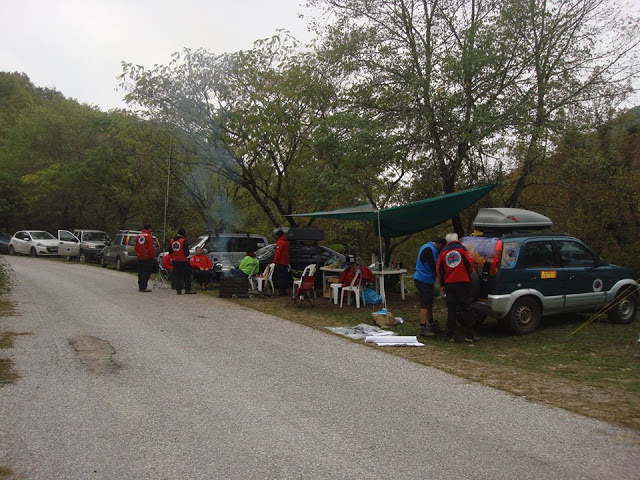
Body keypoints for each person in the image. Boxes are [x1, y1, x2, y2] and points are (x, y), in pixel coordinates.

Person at [436, 233, 479, 342]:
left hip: (449, 284)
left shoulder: (443, 252)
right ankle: (469, 335)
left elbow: (439, 270)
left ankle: (450, 335)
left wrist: (442, 284)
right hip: (463, 283)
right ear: (457, 240)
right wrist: (467, 274)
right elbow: (470, 264)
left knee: (451, 310)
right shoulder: (462, 249)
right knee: (467, 308)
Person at [413, 237, 446, 337]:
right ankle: (422, 328)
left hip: (421, 277)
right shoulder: (430, 250)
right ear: (440, 245)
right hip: (424, 279)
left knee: (428, 303)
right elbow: (435, 267)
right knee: (425, 304)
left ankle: (431, 323)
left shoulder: (426, 246)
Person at [170, 228, 195, 295]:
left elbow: (170, 251)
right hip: (182, 260)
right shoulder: (184, 241)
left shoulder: (172, 240)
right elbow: (186, 252)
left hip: (174, 260)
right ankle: (187, 289)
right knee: (187, 274)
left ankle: (178, 289)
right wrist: (185, 256)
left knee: (177, 275)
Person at [134, 225, 155, 293]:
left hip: (140, 256)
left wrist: (137, 254)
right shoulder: (149, 236)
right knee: (146, 272)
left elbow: (136, 246)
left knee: (140, 272)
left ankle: (140, 286)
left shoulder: (138, 235)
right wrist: (152, 256)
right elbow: (150, 247)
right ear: (148, 228)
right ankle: (144, 287)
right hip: (147, 257)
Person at [272, 229, 290, 296]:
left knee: (280, 277)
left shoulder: (280, 242)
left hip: (280, 262)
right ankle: (284, 290)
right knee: (284, 277)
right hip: (285, 262)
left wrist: (275, 261)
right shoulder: (286, 242)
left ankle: (281, 291)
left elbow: (278, 253)